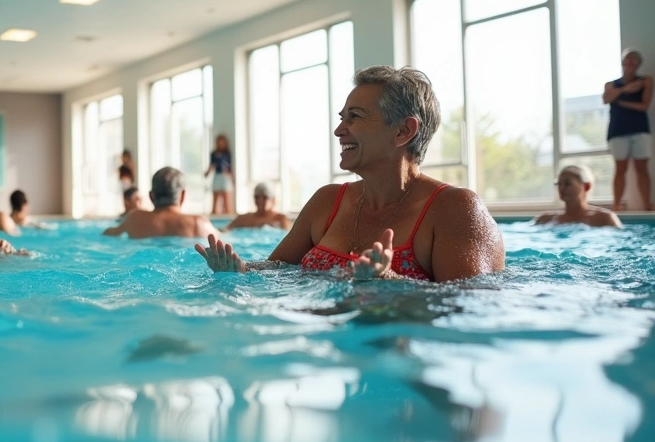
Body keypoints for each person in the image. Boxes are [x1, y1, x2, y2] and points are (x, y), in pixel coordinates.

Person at [195, 66, 504, 282]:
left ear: (403, 130)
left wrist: (392, 284)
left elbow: (473, 312)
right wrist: (241, 270)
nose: (339, 130)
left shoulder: (455, 210)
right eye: (342, 118)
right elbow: (278, 270)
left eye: (355, 118)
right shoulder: (327, 201)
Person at [103, 167, 219, 239]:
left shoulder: (134, 218)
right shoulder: (198, 223)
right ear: (183, 195)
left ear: (151, 196)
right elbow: (222, 237)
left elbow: (110, 233)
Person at [604, 49, 653, 211]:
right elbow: (606, 98)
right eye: (628, 59)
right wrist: (625, 90)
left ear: (639, 64)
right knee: (620, 168)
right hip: (617, 131)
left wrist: (621, 102)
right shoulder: (611, 84)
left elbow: (644, 106)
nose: (631, 63)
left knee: (642, 168)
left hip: (640, 130)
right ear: (622, 62)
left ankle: (647, 205)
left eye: (635, 60)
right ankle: (617, 205)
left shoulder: (645, 81)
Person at [534, 165, 622, 228]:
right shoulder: (545, 219)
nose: (561, 188)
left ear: (586, 186)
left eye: (568, 184)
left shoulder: (604, 218)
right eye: (559, 184)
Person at [224, 182, 291, 230]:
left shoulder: (281, 219)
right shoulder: (243, 219)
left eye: (265, 197)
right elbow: (224, 231)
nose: (260, 200)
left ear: (273, 200)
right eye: (257, 197)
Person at [205, 134, 234, 214]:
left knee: (226, 200)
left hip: (225, 176)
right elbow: (211, 165)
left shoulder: (227, 153)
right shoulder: (214, 154)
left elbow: (229, 167)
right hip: (217, 176)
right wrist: (207, 173)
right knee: (215, 199)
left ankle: (228, 217)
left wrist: (230, 175)